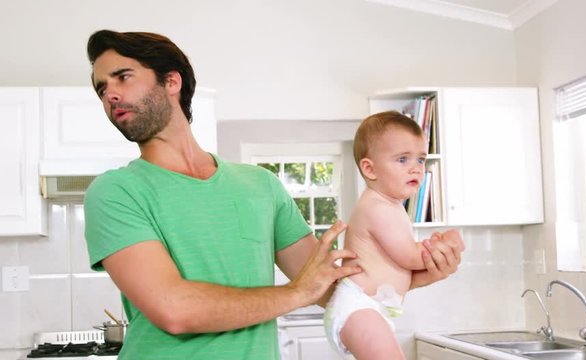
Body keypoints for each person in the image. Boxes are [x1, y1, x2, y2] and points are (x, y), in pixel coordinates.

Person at [83, 29, 464, 360]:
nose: (110, 95)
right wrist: (298, 293)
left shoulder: (260, 185)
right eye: (102, 88)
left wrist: (415, 277)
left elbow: (331, 286)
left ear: (171, 81)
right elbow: (174, 309)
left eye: (122, 77)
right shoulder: (115, 192)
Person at [325, 111, 463, 360]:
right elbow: (410, 258)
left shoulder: (392, 207)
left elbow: (403, 274)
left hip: (373, 307)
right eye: (402, 159)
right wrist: (444, 244)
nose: (416, 168)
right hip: (358, 306)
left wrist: (435, 265)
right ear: (370, 169)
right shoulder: (377, 208)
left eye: (420, 160)